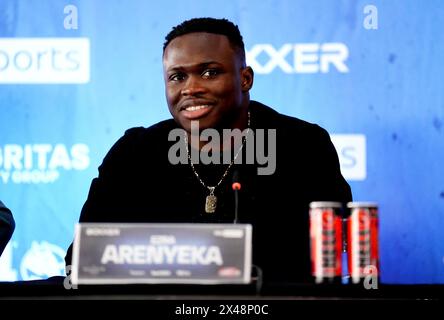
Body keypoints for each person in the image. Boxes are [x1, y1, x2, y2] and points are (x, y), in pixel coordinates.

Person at [65, 17, 352, 284]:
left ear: (245, 79)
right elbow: (81, 259)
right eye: (177, 77)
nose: (191, 88)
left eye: (209, 72)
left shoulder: (302, 146)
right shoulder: (133, 154)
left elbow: (330, 250)